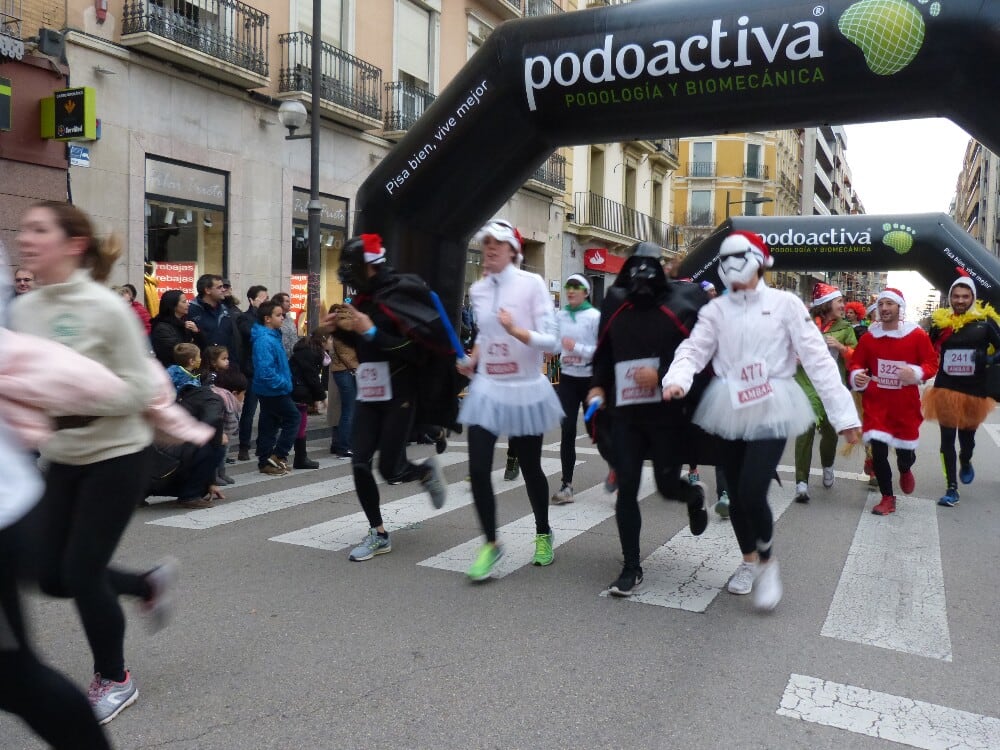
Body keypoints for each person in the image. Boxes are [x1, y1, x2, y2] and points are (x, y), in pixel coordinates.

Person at [10, 200, 178, 724]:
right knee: (47, 573)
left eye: (39, 230)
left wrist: (71, 398)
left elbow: (141, 390)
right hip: (61, 457)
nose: (24, 238)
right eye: (23, 229)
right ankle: (145, 584)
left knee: (81, 572)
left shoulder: (106, 309)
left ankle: (115, 678)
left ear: (73, 244)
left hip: (117, 453)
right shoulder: (25, 309)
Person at [662, 230, 861, 611]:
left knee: (753, 490)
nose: (731, 266)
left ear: (757, 259)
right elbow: (693, 349)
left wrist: (843, 416)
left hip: (772, 401)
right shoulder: (716, 309)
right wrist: (677, 379)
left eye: (739, 257)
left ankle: (768, 563)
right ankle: (749, 560)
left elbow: (818, 359)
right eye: (725, 259)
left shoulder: (786, 304)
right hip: (729, 404)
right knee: (736, 495)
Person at [588, 241, 710, 597]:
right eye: (636, 265)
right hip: (625, 412)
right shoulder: (615, 302)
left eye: (651, 265)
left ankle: (692, 497)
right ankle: (631, 567)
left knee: (666, 485)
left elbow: (699, 358)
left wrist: (662, 374)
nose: (643, 272)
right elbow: (605, 352)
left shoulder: (683, 303)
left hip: (666, 412)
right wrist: (597, 386)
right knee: (627, 484)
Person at [457, 220, 563, 580]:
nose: (489, 248)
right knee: (477, 468)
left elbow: (551, 340)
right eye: (486, 242)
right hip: (489, 387)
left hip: (524, 387)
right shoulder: (480, 289)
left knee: (531, 467)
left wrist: (516, 330)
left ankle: (543, 533)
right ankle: (491, 543)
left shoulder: (531, 284)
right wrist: (473, 359)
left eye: (497, 244)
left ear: (514, 251)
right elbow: (484, 336)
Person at [334, 233, 449, 561]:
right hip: (369, 391)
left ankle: (425, 472)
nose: (345, 272)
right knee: (359, 462)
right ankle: (378, 533)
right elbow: (361, 346)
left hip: (401, 391)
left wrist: (372, 331)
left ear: (366, 267)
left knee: (390, 469)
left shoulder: (401, 293)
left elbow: (418, 350)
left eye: (349, 266)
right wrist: (338, 329)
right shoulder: (361, 301)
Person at [848, 288, 938, 516]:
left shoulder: (917, 335)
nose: (885, 308)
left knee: (904, 452)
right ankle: (887, 497)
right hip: (876, 401)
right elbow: (857, 363)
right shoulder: (869, 338)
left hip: (904, 404)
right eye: (881, 304)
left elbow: (931, 364)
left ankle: (905, 468)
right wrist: (857, 375)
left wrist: (916, 373)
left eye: (890, 304)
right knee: (878, 453)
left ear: (900, 307)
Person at [922, 275, 1000, 507]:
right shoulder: (940, 323)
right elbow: (928, 351)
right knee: (947, 440)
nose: (960, 300)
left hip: (973, 390)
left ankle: (966, 461)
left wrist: (986, 358)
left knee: (967, 441)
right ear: (950, 298)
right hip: (946, 387)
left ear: (973, 298)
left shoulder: (985, 322)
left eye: (965, 296)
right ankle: (951, 488)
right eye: (956, 296)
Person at [792, 282, 857, 503]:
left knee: (829, 434)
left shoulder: (846, 329)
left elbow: (857, 359)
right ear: (826, 304)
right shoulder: (804, 325)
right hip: (805, 385)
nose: (843, 305)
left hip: (831, 387)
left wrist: (841, 348)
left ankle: (828, 466)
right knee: (805, 431)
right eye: (839, 301)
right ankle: (801, 482)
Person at [550, 273, 600, 504]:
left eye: (576, 287)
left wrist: (576, 347)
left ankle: (618, 472)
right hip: (568, 379)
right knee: (567, 429)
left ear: (586, 291)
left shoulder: (594, 316)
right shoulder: (560, 316)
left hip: (590, 380)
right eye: (568, 286)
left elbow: (601, 352)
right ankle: (566, 485)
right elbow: (552, 342)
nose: (570, 290)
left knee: (596, 431)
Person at [251, 300, 301, 476]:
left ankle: (266, 461)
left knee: (269, 424)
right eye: (278, 315)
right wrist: (284, 383)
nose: (282, 317)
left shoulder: (272, 335)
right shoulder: (264, 339)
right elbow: (266, 371)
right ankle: (278, 455)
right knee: (294, 418)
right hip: (273, 389)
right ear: (267, 319)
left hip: (271, 389)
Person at [233, 285, 269, 461]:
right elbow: (250, 334)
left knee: (267, 410)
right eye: (262, 298)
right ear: (251, 300)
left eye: (266, 298)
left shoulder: (266, 319)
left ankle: (263, 445)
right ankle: (244, 446)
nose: (265, 301)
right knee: (250, 409)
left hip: (266, 369)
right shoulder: (245, 318)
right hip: (252, 369)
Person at [289, 329, 329, 469]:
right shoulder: (311, 353)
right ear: (324, 341)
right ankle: (299, 458)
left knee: (300, 422)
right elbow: (312, 377)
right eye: (330, 340)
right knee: (299, 424)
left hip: (298, 389)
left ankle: (300, 457)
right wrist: (322, 397)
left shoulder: (308, 351)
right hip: (298, 390)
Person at [326, 303, 358, 458]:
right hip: (346, 371)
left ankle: (346, 444)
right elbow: (347, 353)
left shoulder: (342, 323)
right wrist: (356, 368)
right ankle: (345, 446)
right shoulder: (346, 323)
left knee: (348, 409)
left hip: (343, 371)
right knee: (349, 409)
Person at [150, 289, 198, 368]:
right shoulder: (162, 328)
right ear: (173, 305)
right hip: (171, 372)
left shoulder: (185, 323)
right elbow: (179, 352)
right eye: (184, 302)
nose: (188, 304)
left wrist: (197, 332)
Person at [187, 274, 231, 349]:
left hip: (223, 358)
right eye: (219, 287)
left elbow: (232, 338)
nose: (223, 290)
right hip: (201, 358)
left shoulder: (225, 309)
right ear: (207, 290)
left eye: (223, 286)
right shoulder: (190, 309)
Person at [273, 292, 298, 357]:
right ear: (279, 303)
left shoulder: (290, 318)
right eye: (287, 301)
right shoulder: (274, 320)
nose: (290, 304)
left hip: (292, 357)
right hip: (281, 357)